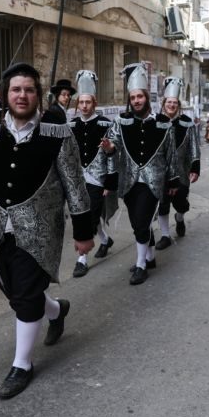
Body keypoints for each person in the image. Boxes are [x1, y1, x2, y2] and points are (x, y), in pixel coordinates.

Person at [0, 62, 94, 399]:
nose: (22, 95)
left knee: (26, 295)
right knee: (13, 287)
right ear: (6, 94)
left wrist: (83, 232)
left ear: (39, 95)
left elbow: (75, 185)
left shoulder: (57, 132)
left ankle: (22, 364)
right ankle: (56, 310)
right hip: (1, 226)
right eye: (16, 89)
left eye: (29, 90)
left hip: (40, 230)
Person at [101, 63, 179, 285]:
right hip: (129, 181)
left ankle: (141, 265)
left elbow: (171, 154)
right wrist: (109, 147)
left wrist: (173, 180)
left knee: (142, 221)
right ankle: (150, 257)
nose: (136, 100)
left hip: (153, 182)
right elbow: (113, 143)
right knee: (138, 221)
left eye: (140, 96)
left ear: (146, 97)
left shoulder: (163, 124)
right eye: (133, 97)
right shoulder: (121, 121)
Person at [68, 69, 118, 277]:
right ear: (77, 103)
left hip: (98, 179)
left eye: (88, 102)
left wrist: (110, 182)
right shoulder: (71, 126)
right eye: (81, 102)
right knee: (82, 216)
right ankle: (105, 240)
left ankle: (81, 259)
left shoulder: (106, 124)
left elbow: (112, 154)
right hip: (78, 179)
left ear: (94, 103)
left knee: (90, 216)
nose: (84, 106)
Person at [155, 77, 201, 250]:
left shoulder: (187, 123)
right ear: (163, 103)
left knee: (181, 204)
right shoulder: (155, 122)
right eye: (169, 102)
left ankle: (179, 218)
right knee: (162, 205)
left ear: (178, 105)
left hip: (181, 172)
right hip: (161, 173)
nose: (171, 105)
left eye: (174, 102)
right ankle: (165, 235)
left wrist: (195, 168)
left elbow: (194, 147)